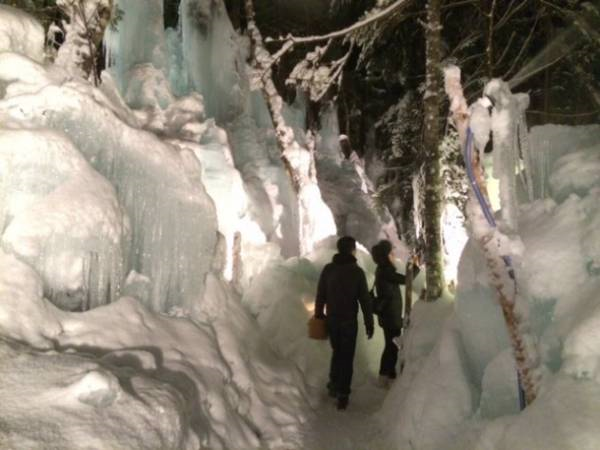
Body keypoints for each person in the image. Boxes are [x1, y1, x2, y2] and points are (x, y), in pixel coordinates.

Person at [314, 236, 374, 410]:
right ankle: (343, 393)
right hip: (349, 321)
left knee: (337, 352)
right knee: (346, 357)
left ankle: (334, 384)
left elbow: (321, 294)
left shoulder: (329, 270)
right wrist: (369, 323)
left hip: (332, 320)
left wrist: (319, 315)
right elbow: (364, 300)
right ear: (352, 250)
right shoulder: (357, 272)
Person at [371, 240, 419, 385]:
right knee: (391, 346)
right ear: (386, 256)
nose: (393, 255)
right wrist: (416, 267)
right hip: (390, 315)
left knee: (391, 345)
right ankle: (384, 375)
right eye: (391, 253)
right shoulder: (386, 271)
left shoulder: (383, 269)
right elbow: (406, 280)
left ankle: (389, 374)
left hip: (388, 315)